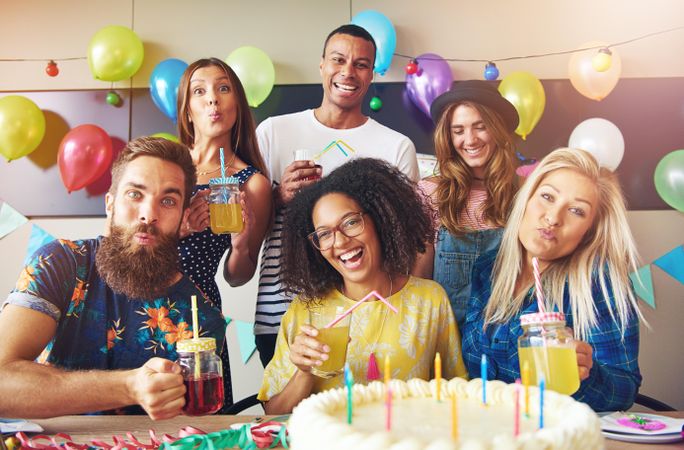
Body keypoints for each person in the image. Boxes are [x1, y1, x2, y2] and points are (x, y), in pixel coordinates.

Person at [0, 137, 227, 419]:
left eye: (168, 201)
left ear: (183, 217)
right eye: (135, 194)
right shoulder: (60, 263)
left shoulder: (201, 318)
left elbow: (191, 432)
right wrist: (129, 386)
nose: (148, 214)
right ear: (110, 204)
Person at [255, 24, 419, 367]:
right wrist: (279, 196)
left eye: (361, 64)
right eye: (338, 60)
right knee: (288, 413)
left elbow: (404, 242)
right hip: (281, 307)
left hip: (370, 310)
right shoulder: (274, 132)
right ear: (321, 65)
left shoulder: (395, 146)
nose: (348, 71)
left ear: (372, 74)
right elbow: (246, 227)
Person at [258, 158, 467, 414]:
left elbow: (456, 395)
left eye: (350, 222)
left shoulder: (429, 300)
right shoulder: (305, 311)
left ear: (379, 221)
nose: (341, 241)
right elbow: (271, 414)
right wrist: (304, 372)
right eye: (324, 234)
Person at [461, 148, 643, 412]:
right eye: (547, 197)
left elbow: (624, 390)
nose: (553, 218)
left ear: (588, 230)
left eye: (577, 211)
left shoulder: (599, 284)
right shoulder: (488, 268)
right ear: (527, 197)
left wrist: (585, 376)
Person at [176, 57, 272, 408]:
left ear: (237, 106)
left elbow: (238, 276)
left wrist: (240, 242)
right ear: (188, 110)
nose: (212, 99)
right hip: (135, 300)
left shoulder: (253, 184)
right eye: (199, 91)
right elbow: (121, 236)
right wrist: (179, 231)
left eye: (223, 88)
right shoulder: (167, 166)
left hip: (198, 313)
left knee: (199, 419)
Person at [412, 80, 520, 332]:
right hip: (448, 343)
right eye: (458, 130)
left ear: (497, 129)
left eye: (480, 127)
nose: (469, 140)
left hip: (507, 342)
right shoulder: (431, 193)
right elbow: (419, 280)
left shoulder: (525, 193)